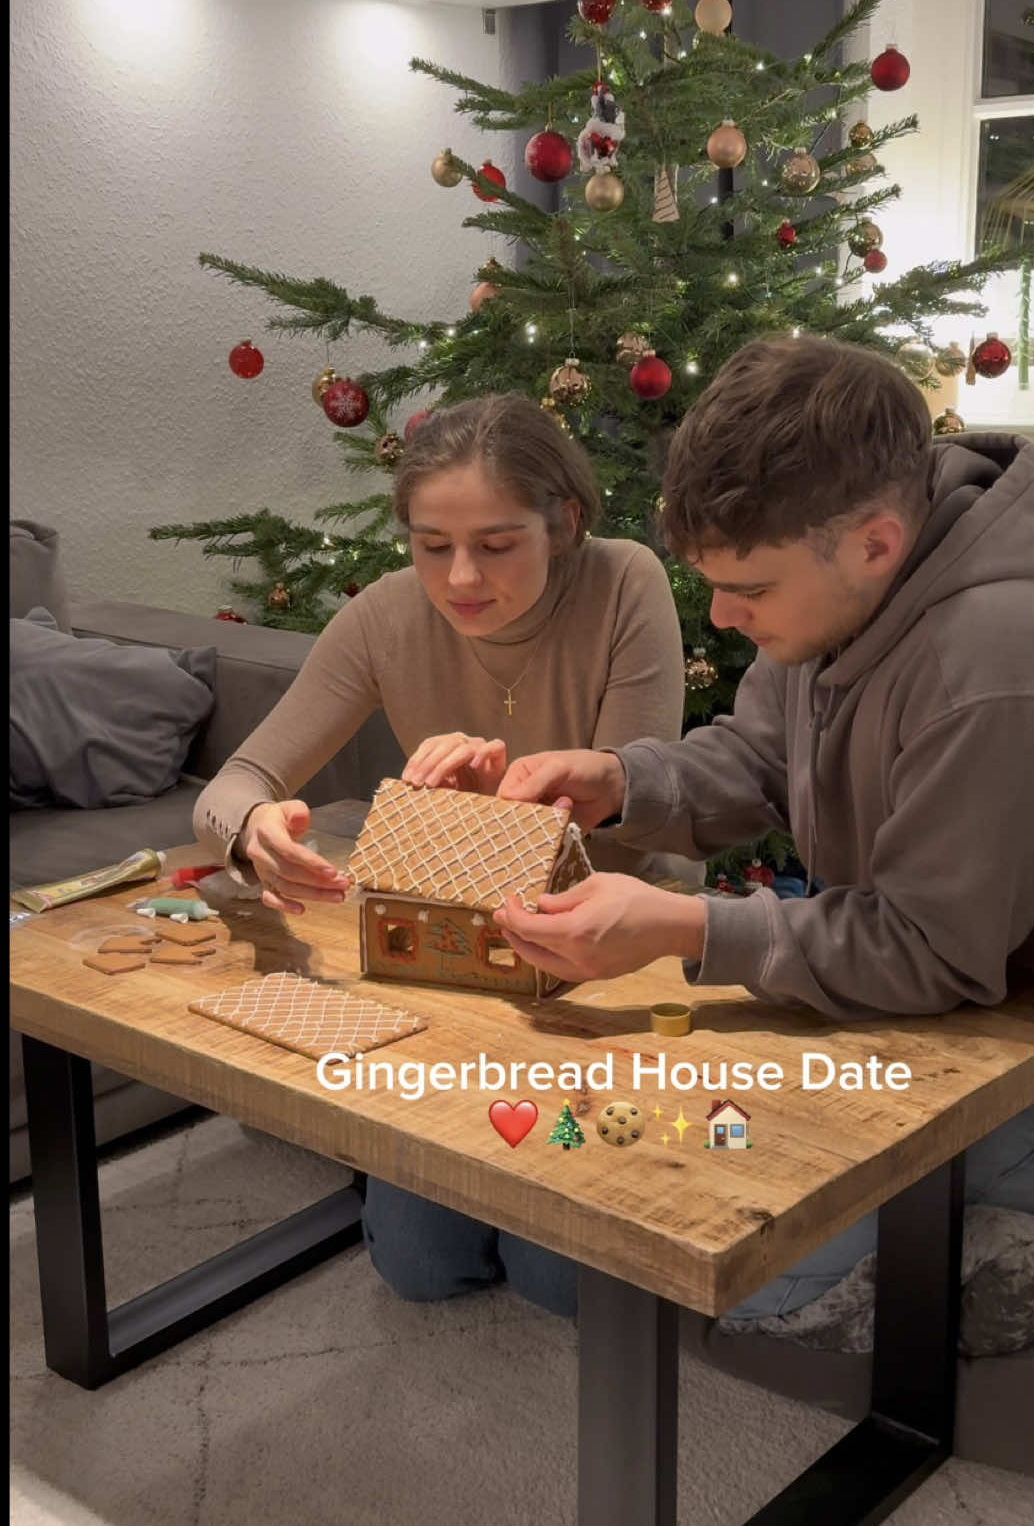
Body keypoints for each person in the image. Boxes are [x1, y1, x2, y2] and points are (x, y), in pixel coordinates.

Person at [494, 335, 1034, 1325]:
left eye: (749, 590)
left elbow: (928, 953)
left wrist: (686, 929)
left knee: (740, 1269)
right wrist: (621, 781)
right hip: (962, 1020)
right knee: (655, 1184)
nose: (723, 614)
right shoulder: (837, 597)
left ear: (876, 542)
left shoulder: (1010, 662)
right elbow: (761, 755)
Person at [192, 392, 687, 1316]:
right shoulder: (385, 614)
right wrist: (254, 834)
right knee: (421, 1271)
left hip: (606, 944)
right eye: (431, 546)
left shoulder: (624, 582)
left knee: (561, 1284)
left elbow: (644, 817)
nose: (460, 577)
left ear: (565, 523)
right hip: (458, 951)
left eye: (497, 545)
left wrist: (488, 827)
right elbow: (232, 786)